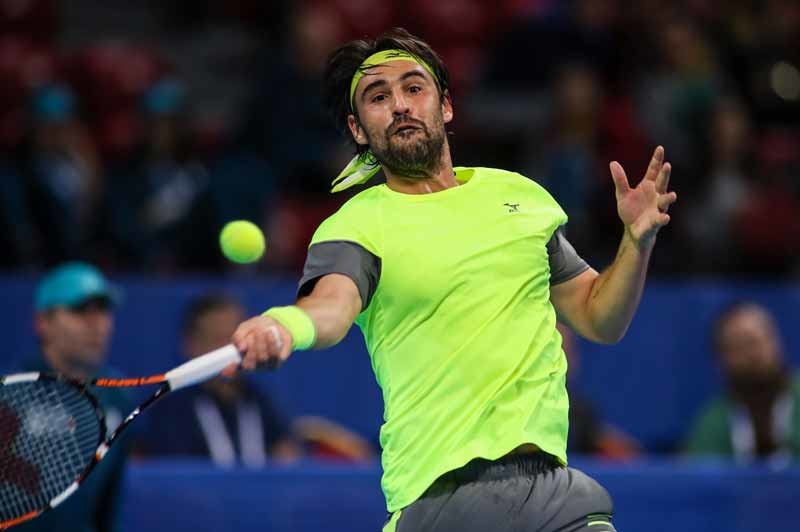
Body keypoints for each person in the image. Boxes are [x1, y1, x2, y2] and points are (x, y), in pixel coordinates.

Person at [230, 28, 677, 532]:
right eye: (378, 97)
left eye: (413, 88)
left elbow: (599, 317)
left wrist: (636, 242)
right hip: (439, 501)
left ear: (445, 106)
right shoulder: (355, 225)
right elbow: (330, 307)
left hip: (555, 496)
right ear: (359, 129)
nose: (400, 104)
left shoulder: (521, 198)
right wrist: (284, 326)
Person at [137, 293, 372, 464]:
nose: (229, 349)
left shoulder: (260, 401)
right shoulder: (171, 411)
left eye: (235, 338)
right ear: (191, 344)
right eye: (217, 338)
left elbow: (288, 459)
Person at [15, 262, 132, 532]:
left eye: (103, 310)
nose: (97, 324)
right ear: (43, 323)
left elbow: (109, 506)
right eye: (80, 310)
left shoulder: (120, 398)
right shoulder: (10, 395)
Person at [685, 302, 800, 461]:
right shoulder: (713, 421)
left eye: (757, 341)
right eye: (740, 346)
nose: (753, 354)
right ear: (721, 360)